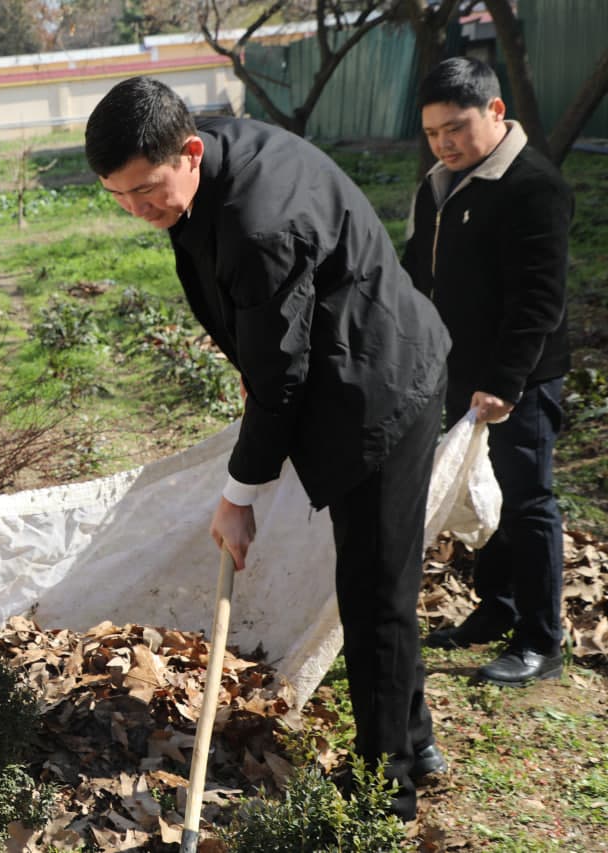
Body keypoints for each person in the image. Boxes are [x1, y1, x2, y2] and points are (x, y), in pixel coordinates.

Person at [85, 77, 452, 822]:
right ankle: (413, 744)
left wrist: (239, 496)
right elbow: (270, 350)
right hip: (346, 363)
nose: (137, 210)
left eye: (146, 190)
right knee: (376, 585)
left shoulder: (258, 223)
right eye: (117, 196)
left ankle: (388, 792)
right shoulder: (207, 160)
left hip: (381, 386)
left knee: (374, 596)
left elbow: (282, 378)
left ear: (189, 151)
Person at [406, 58, 573, 686]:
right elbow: (416, 272)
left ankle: (540, 640)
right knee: (488, 493)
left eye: (455, 128)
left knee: (527, 501)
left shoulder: (535, 186)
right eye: (432, 133)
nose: (444, 144)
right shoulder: (439, 185)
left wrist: (505, 383)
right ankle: (496, 609)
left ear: (495, 111)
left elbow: (539, 302)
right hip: (461, 372)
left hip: (520, 379)